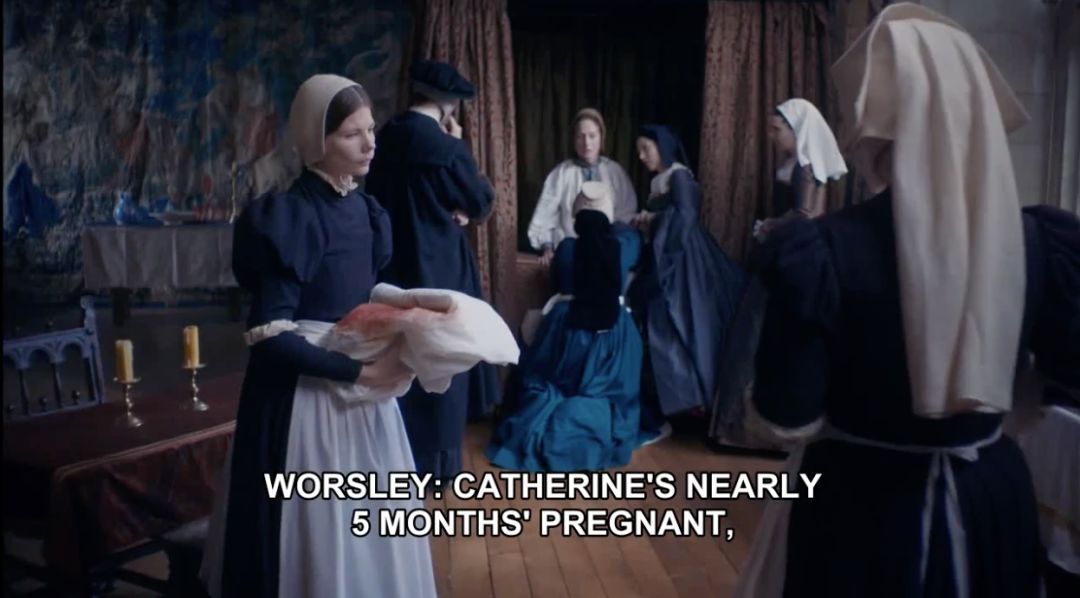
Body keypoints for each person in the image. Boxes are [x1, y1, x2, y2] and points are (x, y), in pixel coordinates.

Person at [734, 4, 1080, 597]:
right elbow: (1067, 371)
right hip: (989, 500)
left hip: (860, 511)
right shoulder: (1040, 242)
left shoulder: (826, 250)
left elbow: (786, 410)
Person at [200, 75, 436, 598]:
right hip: (305, 405)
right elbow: (269, 335)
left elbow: (354, 291)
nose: (370, 144)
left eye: (371, 130)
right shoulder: (291, 218)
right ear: (316, 139)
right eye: (352, 134)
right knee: (315, 535)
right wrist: (359, 372)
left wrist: (411, 306)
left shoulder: (367, 212)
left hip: (364, 402)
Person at [364, 59, 500, 480]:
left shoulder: (384, 136)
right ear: (449, 105)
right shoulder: (447, 148)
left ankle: (395, 458)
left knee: (398, 356)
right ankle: (437, 466)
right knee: (443, 360)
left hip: (392, 267)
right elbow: (480, 202)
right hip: (440, 267)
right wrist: (459, 152)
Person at [710, 99, 845, 447]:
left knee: (761, 333)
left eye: (777, 129)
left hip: (791, 261)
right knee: (756, 333)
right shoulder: (793, 164)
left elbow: (806, 215)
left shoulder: (804, 167)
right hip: (783, 255)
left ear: (795, 130)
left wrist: (771, 225)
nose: (772, 136)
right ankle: (742, 425)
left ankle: (749, 427)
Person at [487, 181, 649, 471]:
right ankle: (588, 422)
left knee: (545, 379)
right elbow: (632, 242)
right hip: (614, 332)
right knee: (612, 388)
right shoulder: (625, 245)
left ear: (576, 216)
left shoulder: (566, 248)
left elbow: (559, 280)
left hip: (567, 327)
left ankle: (561, 419)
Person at [627, 124, 747, 427]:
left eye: (646, 149)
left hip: (683, 256)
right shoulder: (658, 181)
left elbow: (687, 215)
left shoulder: (679, 175)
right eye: (639, 150)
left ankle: (693, 401)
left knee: (684, 322)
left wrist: (653, 219)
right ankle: (675, 401)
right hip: (663, 253)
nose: (641, 156)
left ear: (662, 147)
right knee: (663, 325)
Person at [527, 108, 638, 266]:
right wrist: (548, 245)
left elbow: (626, 213)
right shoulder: (562, 173)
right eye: (581, 136)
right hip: (574, 245)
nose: (587, 143)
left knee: (629, 242)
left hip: (608, 245)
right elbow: (544, 217)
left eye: (592, 136)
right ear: (574, 140)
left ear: (601, 138)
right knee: (567, 252)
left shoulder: (615, 172)